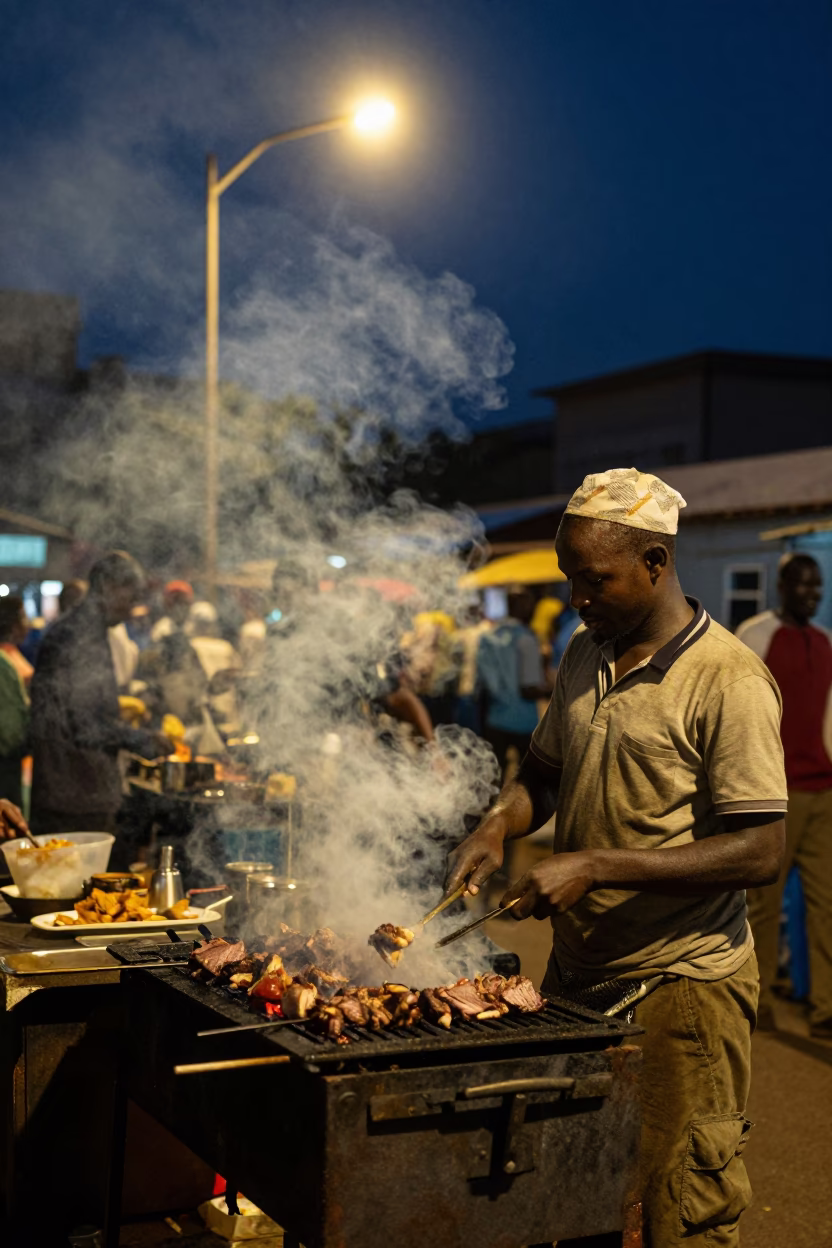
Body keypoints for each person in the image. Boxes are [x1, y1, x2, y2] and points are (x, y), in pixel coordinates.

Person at [446, 467, 787, 1248]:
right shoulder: (584, 650)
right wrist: (498, 824)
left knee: (677, 1210)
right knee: (579, 1197)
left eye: (593, 579)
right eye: (570, 579)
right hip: (578, 976)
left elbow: (761, 849)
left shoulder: (728, 680)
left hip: (682, 988)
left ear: (656, 563)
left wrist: (596, 865)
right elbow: (543, 774)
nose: (577, 598)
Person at [736, 553, 832, 1038]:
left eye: (817, 587)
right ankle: (757, 999)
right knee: (763, 905)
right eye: (802, 585)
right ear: (782, 586)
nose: (811, 594)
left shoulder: (825, 641)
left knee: (826, 903)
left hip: (823, 791)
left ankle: (825, 1008)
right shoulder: (756, 635)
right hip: (774, 794)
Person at [29, 552, 171, 838]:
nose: (132, 609)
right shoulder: (77, 636)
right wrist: (144, 740)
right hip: (73, 796)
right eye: (129, 598)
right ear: (106, 586)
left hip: (78, 791)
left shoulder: (88, 631)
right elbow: (86, 726)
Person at [476, 585, 549, 778]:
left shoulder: (488, 637)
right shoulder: (526, 638)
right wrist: (552, 689)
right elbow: (529, 688)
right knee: (528, 781)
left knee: (493, 779)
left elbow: (484, 680)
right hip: (523, 722)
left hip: (495, 718)